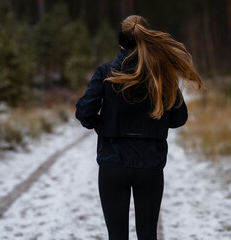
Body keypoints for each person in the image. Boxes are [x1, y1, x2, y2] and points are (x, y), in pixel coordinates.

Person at [75, 15, 204, 240]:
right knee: (147, 235)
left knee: (116, 236)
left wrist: (100, 125)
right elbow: (179, 118)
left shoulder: (106, 73)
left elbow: (84, 112)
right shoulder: (162, 75)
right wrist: (157, 122)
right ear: (146, 39)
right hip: (150, 166)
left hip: (112, 164)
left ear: (120, 42)